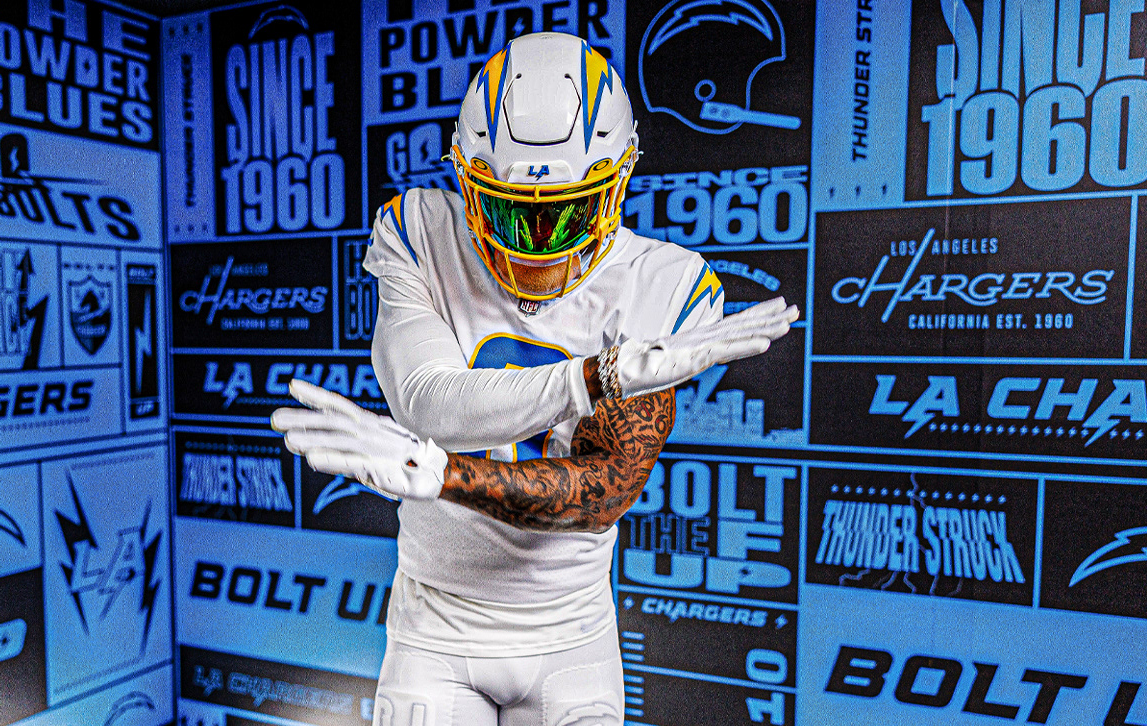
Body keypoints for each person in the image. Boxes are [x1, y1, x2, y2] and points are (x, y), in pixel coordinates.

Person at [271, 32, 797, 726]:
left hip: (570, 635)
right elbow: (427, 403)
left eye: (567, 212)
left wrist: (444, 475)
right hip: (435, 626)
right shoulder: (419, 231)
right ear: (465, 180)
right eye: (511, 211)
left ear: (619, 180)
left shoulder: (660, 280)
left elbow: (603, 491)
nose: (537, 246)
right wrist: (597, 377)